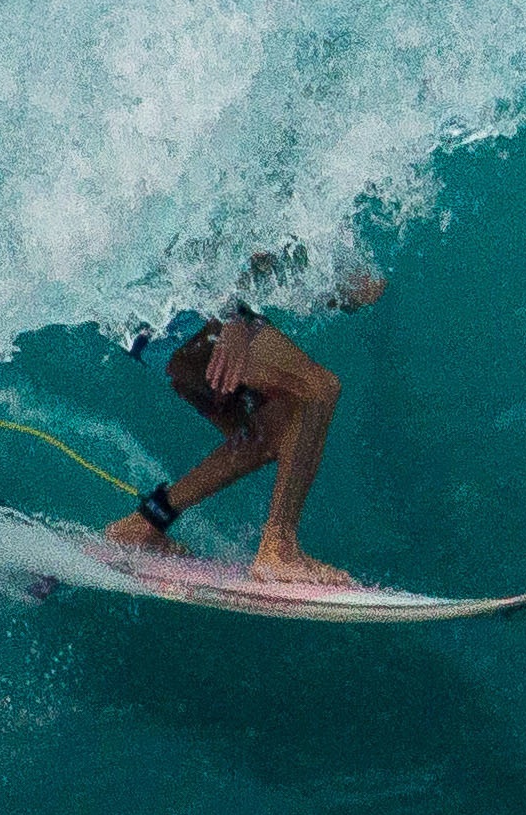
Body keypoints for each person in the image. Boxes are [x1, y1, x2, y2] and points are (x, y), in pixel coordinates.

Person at [106, 248, 389, 587]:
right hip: (180, 301)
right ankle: (278, 550)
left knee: (269, 432)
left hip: (140, 305)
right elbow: (214, 225)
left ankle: (144, 525)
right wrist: (233, 319)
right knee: (318, 389)